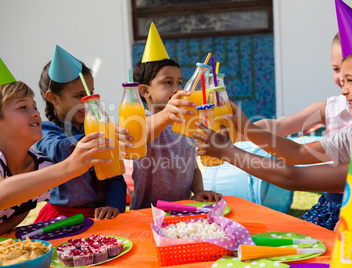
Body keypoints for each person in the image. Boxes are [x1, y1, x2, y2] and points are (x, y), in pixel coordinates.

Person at [194, 32, 352, 230]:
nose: (342, 88)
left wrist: (228, 153)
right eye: (339, 74)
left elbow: (294, 177)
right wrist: (247, 128)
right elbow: (298, 154)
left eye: (350, 80)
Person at [122, 23, 222, 210]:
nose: (177, 88)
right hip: (146, 213)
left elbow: (191, 165)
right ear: (144, 91)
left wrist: (198, 191)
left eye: (179, 82)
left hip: (183, 211)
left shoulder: (184, 121)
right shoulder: (140, 117)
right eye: (167, 82)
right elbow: (142, 134)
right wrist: (167, 115)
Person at [0, 80, 114, 235]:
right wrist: (69, 166)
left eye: (34, 106)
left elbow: (13, 219)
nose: (36, 113)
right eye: (22, 107)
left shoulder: (41, 165)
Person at [35, 45, 126, 222]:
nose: (88, 101)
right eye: (79, 96)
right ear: (52, 97)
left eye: (90, 93)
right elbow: (60, 150)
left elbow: (115, 176)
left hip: (98, 216)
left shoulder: (92, 128)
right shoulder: (46, 131)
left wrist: (114, 205)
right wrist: (97, 137)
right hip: (62, 218)